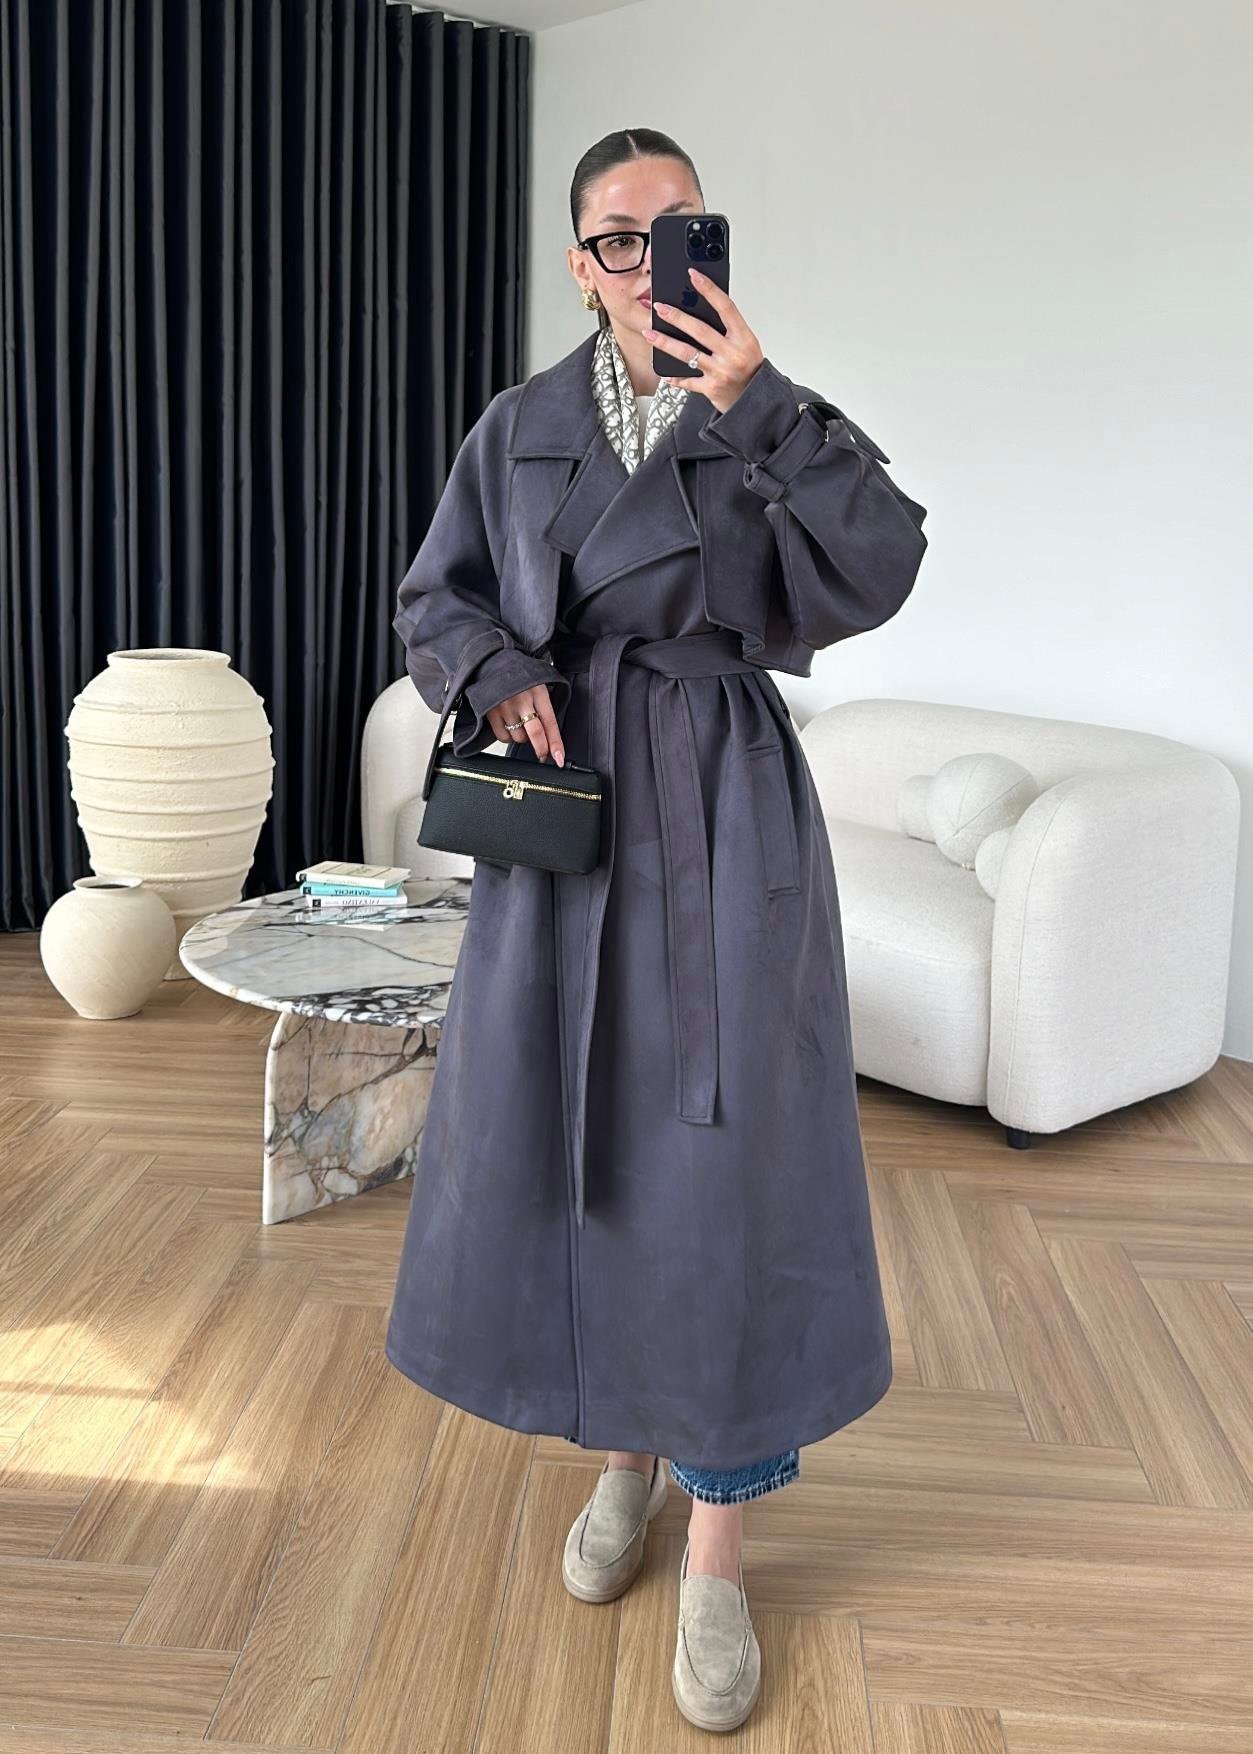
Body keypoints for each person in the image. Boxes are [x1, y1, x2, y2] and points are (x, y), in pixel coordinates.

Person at [384, 127, 929, 1733]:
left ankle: (717, 1546)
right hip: (564, 828)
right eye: (618, 235)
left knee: (724, 1172)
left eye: (677, 225)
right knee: (587, 1150)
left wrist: (758, 402)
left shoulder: (757, 410)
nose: (647, 257)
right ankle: (619, 1451)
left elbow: (883, 562)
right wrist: (495, 669)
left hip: (720, 817)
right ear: (578, 264)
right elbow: (435, 598)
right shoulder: (517, 427)